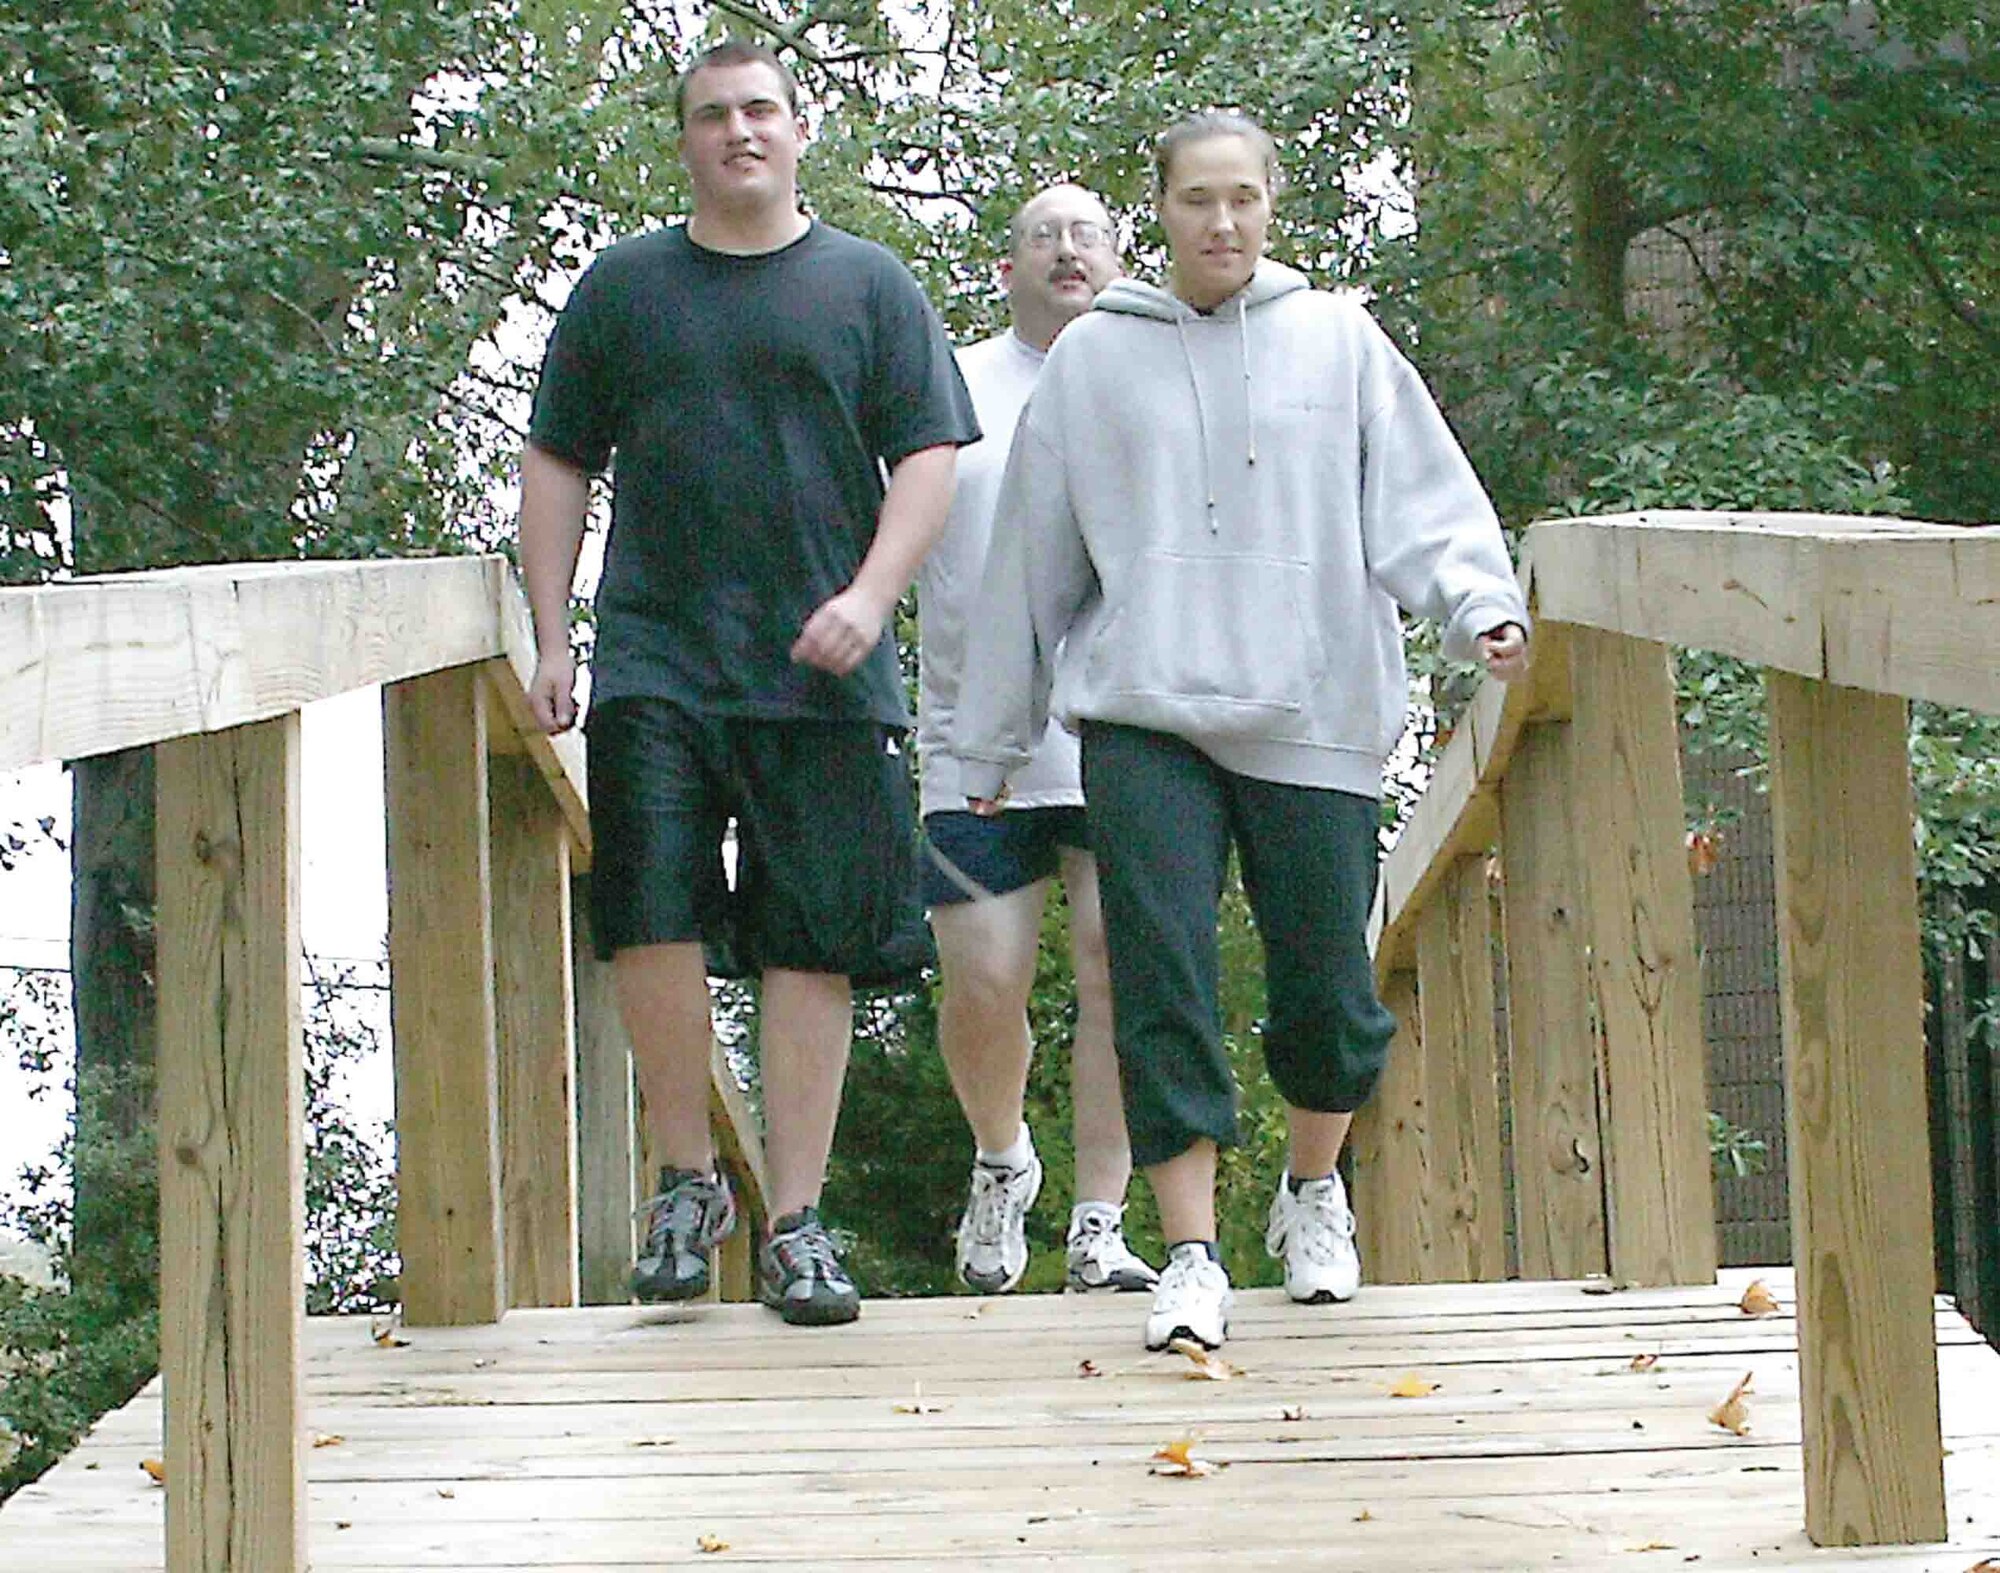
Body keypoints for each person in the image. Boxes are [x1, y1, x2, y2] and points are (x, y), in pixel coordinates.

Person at [950, 112, 1529, 1352]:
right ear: (1155, 211)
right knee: (1159, 977)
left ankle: (1311, 1188)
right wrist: (992, 739)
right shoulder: (1095, 363)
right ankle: (1189, 1252)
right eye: (1194, 201)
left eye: (1241, 201)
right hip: (1144, 709)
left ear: (1270, 206)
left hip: (1311, 704)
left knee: (1326, 991)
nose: (1220, 224)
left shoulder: (1339, 341)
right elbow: (1027, 562)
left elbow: (1423, 497)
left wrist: (1477, 602)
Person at [519, 40, 979, 1328]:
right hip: (657, 657)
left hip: (823, 668)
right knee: (647, 910)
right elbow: (556, 462)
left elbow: (929, 456)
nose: (739, 131)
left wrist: (871, 597)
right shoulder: (623, 289)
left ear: (797, 132)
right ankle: (683, 1178)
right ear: (684, 141)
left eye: (760, 110)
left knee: (809, 941)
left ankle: (795, 1221)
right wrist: (552, 638)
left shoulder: (866, 284)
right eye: (713, 115)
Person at [916, 185, 1158, 1297]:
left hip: (1129, 722)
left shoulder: (1158, 381)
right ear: (1004, 266)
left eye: (1087, 234)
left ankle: (1100, 1222)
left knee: (1121, 969)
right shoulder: (948, 384)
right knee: (984, 979)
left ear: (1117, 261)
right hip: (976, 733)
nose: (1065, 250)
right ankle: (1002, 1159)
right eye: (1040, 236)